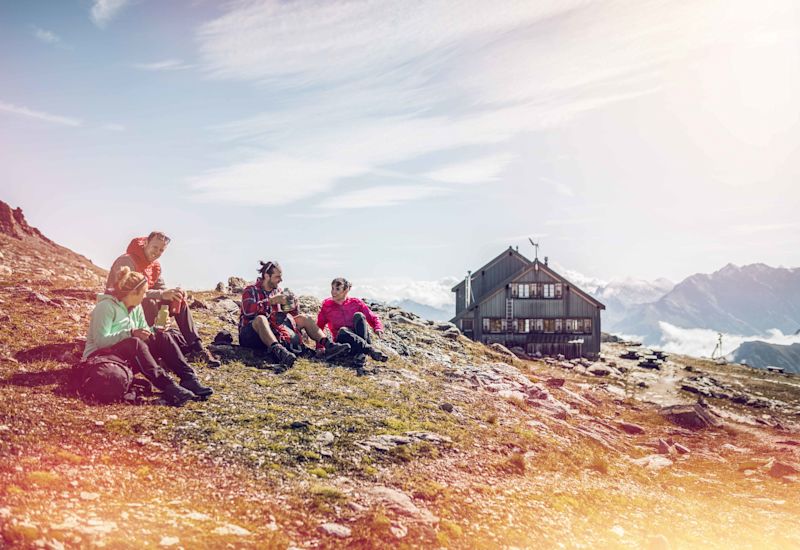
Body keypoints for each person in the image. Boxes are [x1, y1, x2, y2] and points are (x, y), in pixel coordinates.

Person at [84, 266, 213, 406]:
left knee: (162, 337)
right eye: (144, 292)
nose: (145, 296)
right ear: (134, 292)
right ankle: (169, 387)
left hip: (128, 357)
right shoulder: (106, 307)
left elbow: (144, 333)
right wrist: (130, 333)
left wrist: (155, 329)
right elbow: (100, 342)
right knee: (134, 342)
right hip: (102, 357)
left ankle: (189, 379)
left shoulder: (136, 308)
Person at [106, 231, 221, 368]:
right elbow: (125, 291)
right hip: (122, 307)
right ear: (146, 243)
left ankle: (197, 348)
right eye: (155, 247)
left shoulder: (155, 266)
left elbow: (162, 289)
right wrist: (161, 294)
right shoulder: (126, 260)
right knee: (149, 301)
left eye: (161, 250)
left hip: (144, 307)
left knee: (177, 300)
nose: (157, 252)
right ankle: (158, 345)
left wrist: (173, 294)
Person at [238, 261, 351, 371]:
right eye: (277, 277)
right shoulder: (251, 290)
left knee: (304, 318)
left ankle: (329, 345)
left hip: (273, 332)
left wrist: (293, 305)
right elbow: (248, 311)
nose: (281, 280)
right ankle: (279, 352)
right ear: (267, 276)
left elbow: (290, 315)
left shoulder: (277, 291)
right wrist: (270, 301)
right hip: (250, 334)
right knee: (261, 319)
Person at [316, 277, 389, 371]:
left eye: (337, 289)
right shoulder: (327, 306)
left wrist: (378, 327)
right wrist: (320, 347)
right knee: (343, 330)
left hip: (359, 337)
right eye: (332, 288)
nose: (333, 292)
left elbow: (372, 317)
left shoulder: (356, 303)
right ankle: (369, 350)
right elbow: (319, 327)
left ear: (346, 290)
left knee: (359, 316)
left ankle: (361, 354)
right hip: (344, 342)